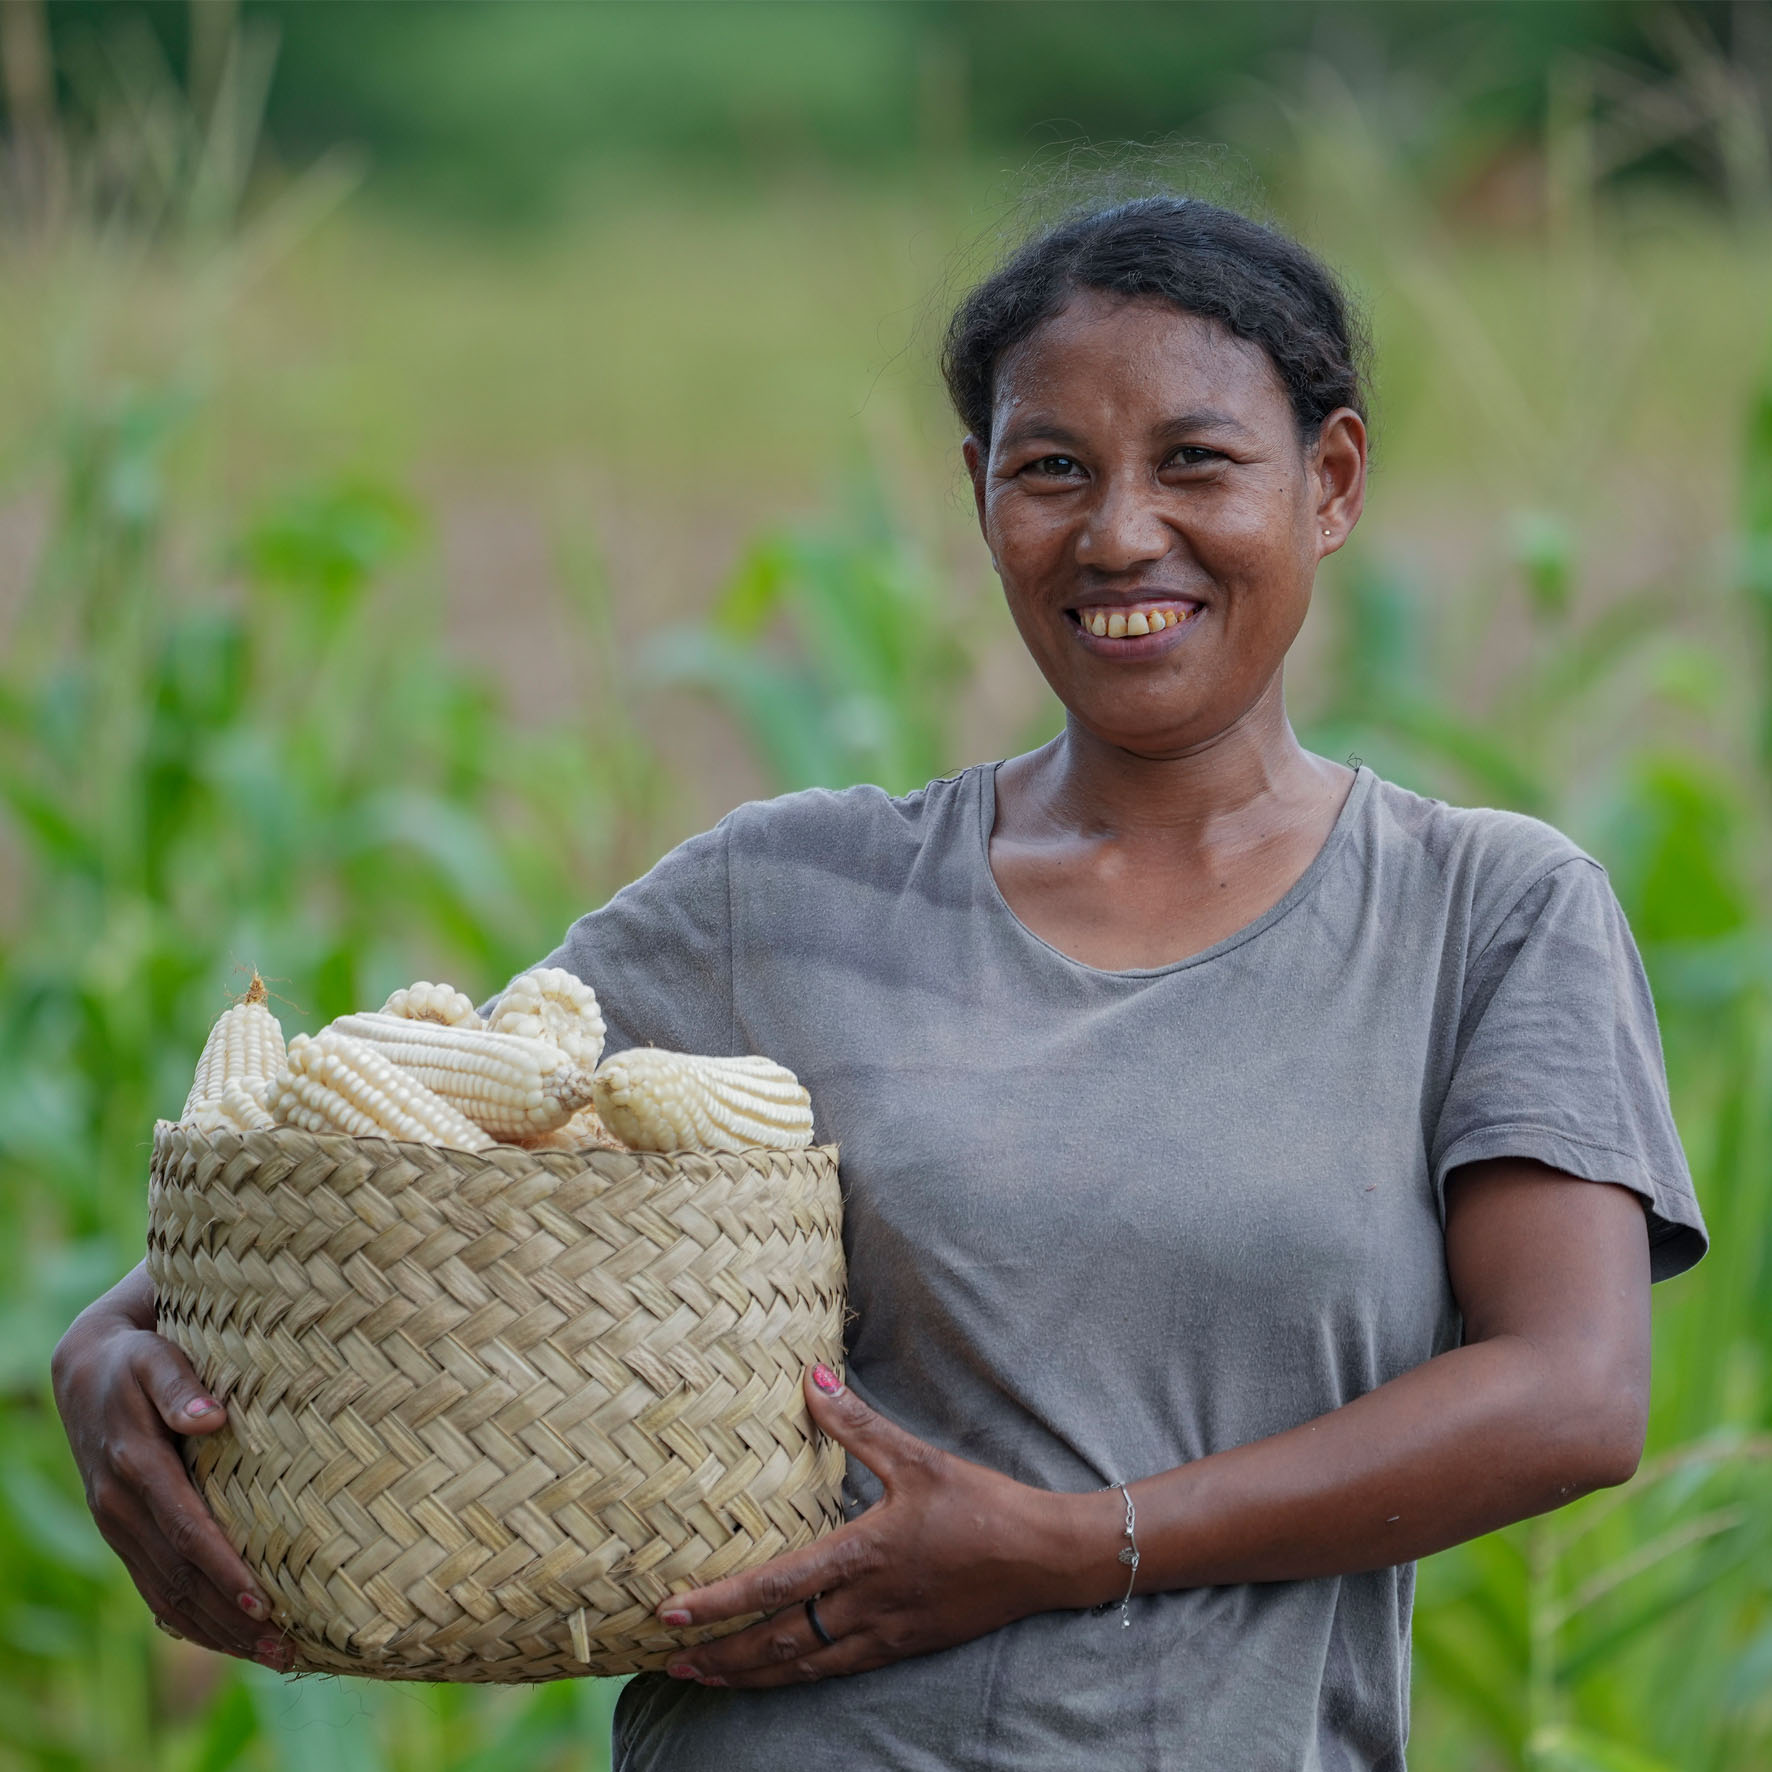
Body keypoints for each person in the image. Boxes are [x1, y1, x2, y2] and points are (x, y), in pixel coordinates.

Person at [53, 196, 1706, 1771]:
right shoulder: (785, 899)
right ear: (982, 488)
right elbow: (376, 1187)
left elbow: (1570, 1394)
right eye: (1051, 468)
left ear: (1329, 483)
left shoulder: (1481, 913)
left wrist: (1077, 1548)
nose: (1122, 531)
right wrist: (110, 1354)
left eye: (1197, 461)